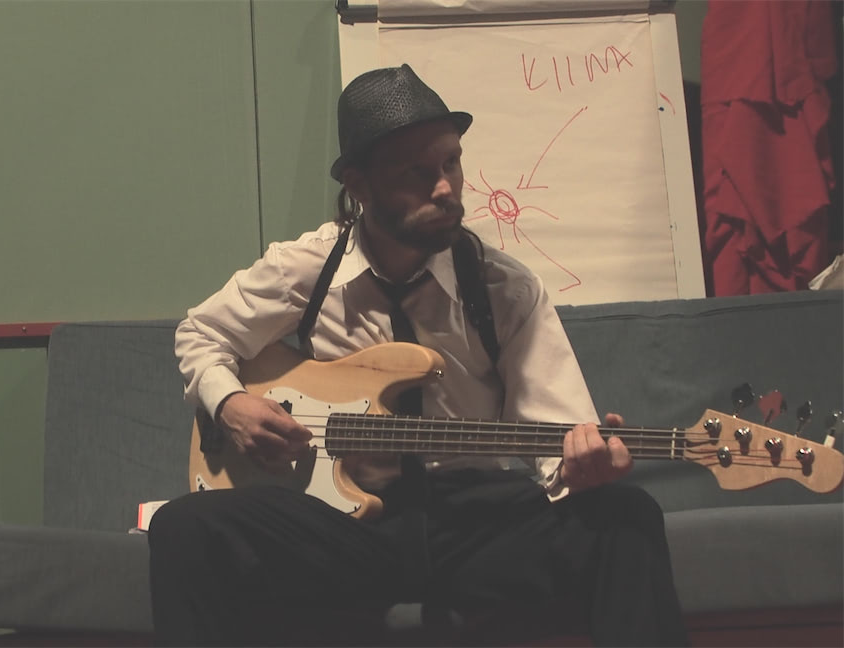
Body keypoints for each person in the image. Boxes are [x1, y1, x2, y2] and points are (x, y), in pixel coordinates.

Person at [148, 64, 687, 647]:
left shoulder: (505, 289)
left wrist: (582, 468)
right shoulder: (303, 269)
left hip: (476, 523)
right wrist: (228, 404)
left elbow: (560, 437)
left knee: (627, 517)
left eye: (452, 163)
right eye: (417, 172)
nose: (446, 188)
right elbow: (200, 334)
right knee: (184, 527)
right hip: (343, 529)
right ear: (359, 186)